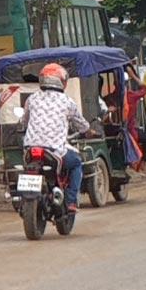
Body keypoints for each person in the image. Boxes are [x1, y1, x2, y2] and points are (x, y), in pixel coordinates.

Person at [21, 63, 89, 212]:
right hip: (55, 150)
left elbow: (24, 121)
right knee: (77, 163)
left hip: (30, 148)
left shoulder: (32, 99)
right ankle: (71, 201)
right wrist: (87, 129)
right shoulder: (67, 102)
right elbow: (82, 125)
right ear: (61, 80)